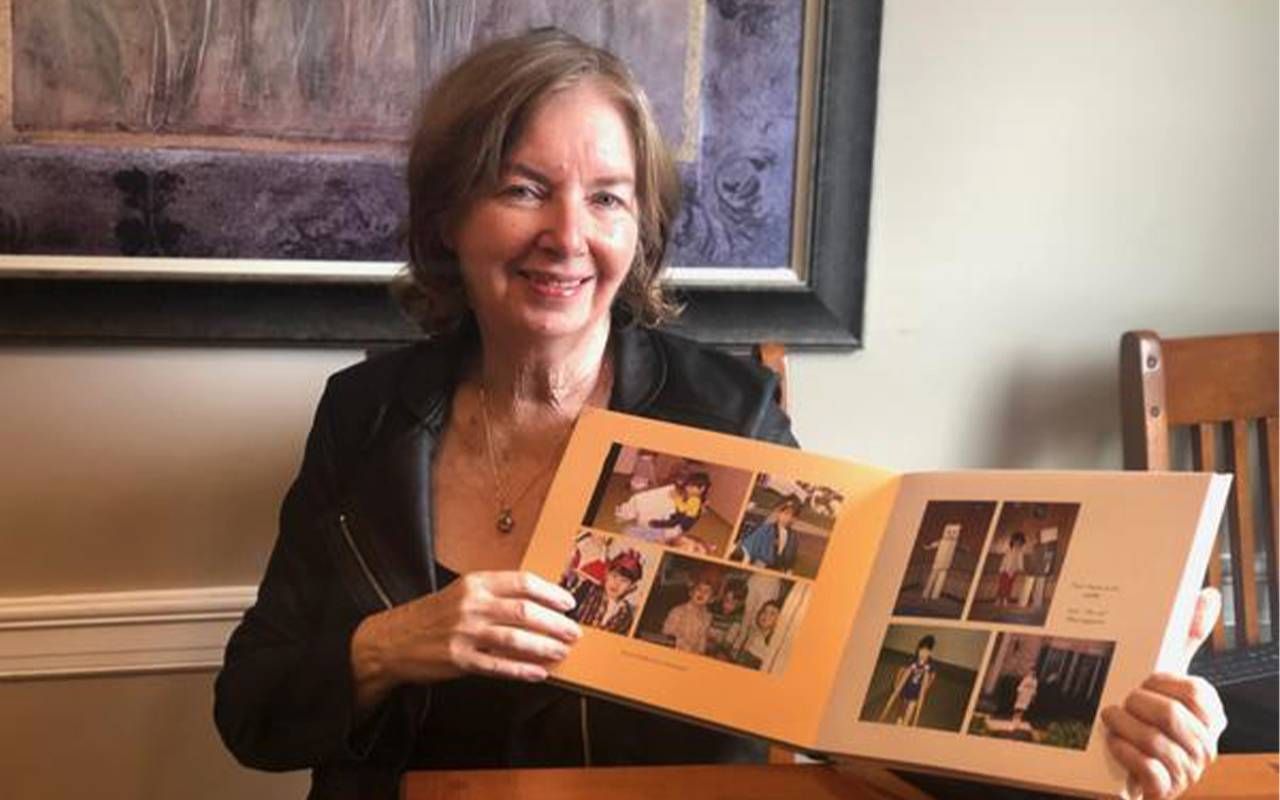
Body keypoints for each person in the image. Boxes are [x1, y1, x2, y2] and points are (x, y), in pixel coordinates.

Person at [213, 28, 1225, 800]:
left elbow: (846, 704)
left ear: (639, 229)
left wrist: (1102, 729)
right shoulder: (365, 413)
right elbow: (252, 712)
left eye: (608, 199)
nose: (568, 236)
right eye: (524, 189)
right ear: (449, 217)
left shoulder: (724, 411)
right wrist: (390, 643)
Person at [568, 548, 644, 635]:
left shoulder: (626, 615)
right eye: (614, 576)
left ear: (632, 587)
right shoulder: (588, 589)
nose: (616, 584)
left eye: (624, 581)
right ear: (607, 574)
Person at [879, 635, 937, 726]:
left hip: (916, 691)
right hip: (906, 687)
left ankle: (905, 723)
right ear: (918, 649)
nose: (923, 654)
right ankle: (899, 718)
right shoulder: (913, 660)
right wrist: (896, 683)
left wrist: (926, 687)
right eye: (921, 650)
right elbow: (901, 670)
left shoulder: (930, 664)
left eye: (926, 652)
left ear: (930, 653)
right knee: (903, 706)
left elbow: (933, 676)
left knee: (911, 709)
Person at [734, 495, 802, 572]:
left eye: (793, 516)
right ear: (779, 512)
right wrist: (745, 563)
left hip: (778, 571)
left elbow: (790, 561)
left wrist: (788, 570)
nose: (788, 518)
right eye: (786, 513)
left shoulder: (793, 537)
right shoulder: (766, 529)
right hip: (760, 568)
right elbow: (749, 548)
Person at [661, 573, 717, 654]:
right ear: (691, 593)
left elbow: (703, 640)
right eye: (699, 589)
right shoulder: (678, 611)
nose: (701, 593)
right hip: (676, 650)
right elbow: (667, 632)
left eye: (706, 592)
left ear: (711, 599)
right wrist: (682, 643)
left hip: (695, 655)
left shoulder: (708, 617)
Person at [732, 599, 783, 671]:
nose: (766, 615)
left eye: (772, 613)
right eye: (764, 611)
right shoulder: (753, 633)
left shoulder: (775, 642)